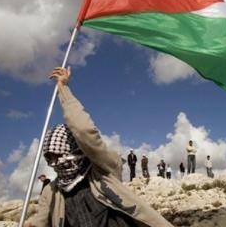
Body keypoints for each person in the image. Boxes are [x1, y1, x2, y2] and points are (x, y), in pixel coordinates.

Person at [26, 67, 172, 227]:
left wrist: (63, 89)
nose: (56, 163)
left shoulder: (102, 171)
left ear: (76, 149)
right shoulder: (51, 192)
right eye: (50, 158)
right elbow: (40, 222)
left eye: (60, 154)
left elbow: (83, 130)